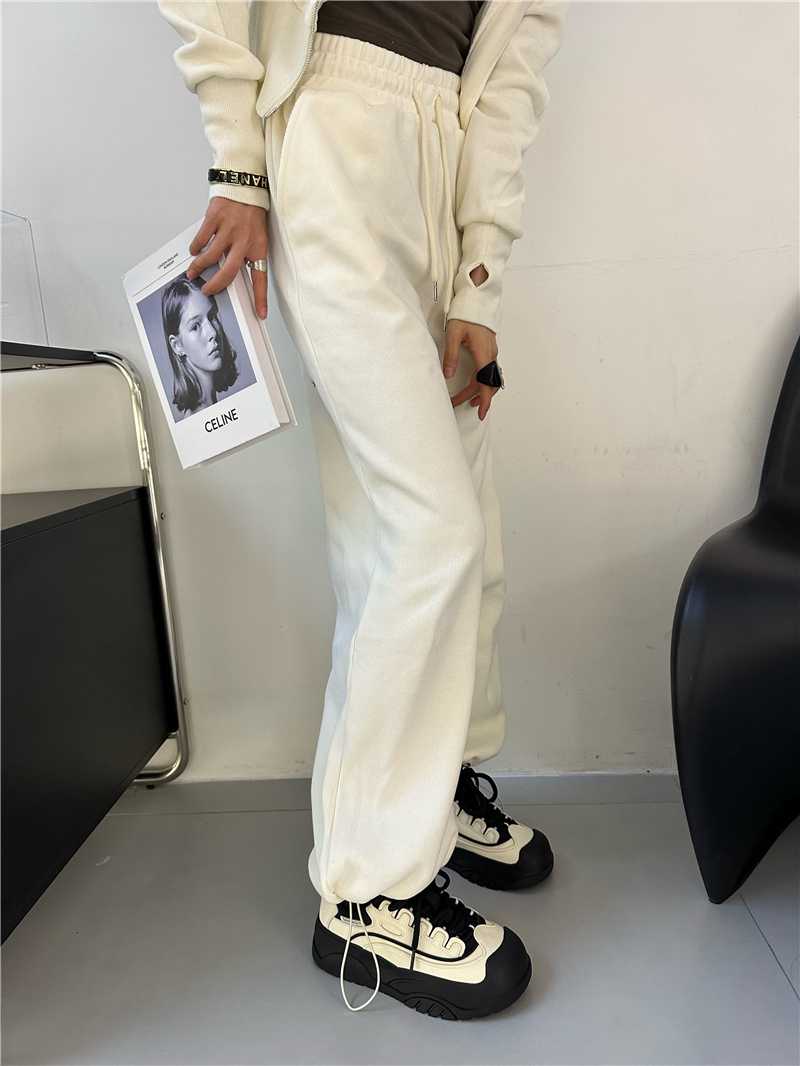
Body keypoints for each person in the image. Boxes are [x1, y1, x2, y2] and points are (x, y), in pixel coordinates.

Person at [158, 0, 567, 1019]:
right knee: (430, 535)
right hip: (334, 134)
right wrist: (238, 164)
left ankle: (428, 787)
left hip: (445, 154)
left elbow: (511, 73)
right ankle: (368, 889)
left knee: (447, 521)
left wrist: (479, 281)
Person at [161, 272, 240, 419]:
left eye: (212, 316)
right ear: (177, 346)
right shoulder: (198, 417)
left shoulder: (211, 409)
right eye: (195, 326)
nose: (212, 332)